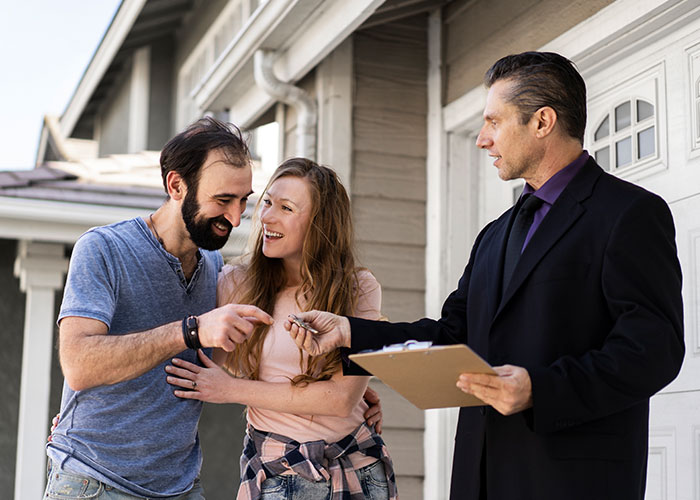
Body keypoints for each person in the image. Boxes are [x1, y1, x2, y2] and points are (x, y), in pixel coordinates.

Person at [285, 52, 685, 500]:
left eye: (494, 122)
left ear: (543, 121)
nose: (482, 139)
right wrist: (350, 334)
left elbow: (653, 350)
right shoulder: (494, 235)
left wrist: (541, 390)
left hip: (573, 481)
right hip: (480, 477)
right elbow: (454, 336)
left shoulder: (629, 213)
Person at [164, 158, 397, 500]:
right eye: (268, 202)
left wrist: (232, 390)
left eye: (286, 208)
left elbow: (340, 399)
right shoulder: (234, 284)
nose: (267, 217)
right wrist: (91, 409)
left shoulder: (357, 288)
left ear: (321, 224)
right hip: (278, 469)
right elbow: (176, 347)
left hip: (356, 467)